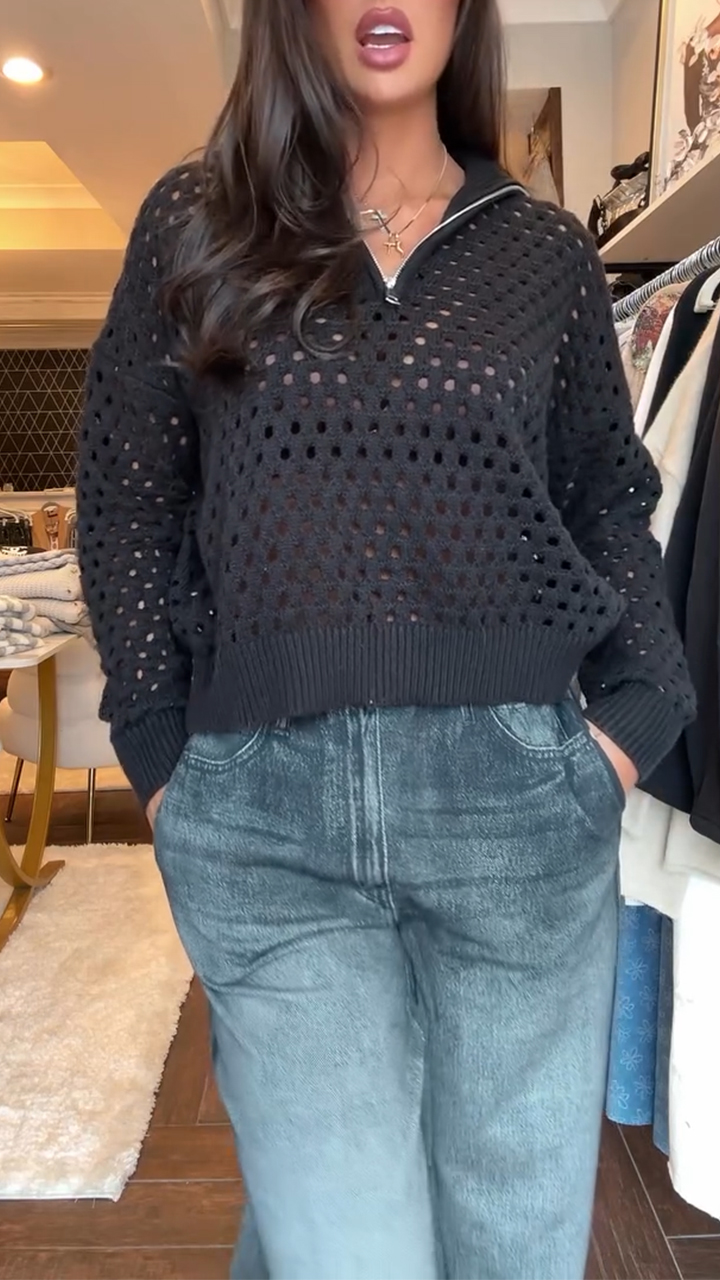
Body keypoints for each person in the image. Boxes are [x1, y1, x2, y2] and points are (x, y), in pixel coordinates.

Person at [77, 1, 695, 1277]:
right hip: (264, 822)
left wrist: (635, 715)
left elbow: (609, 495)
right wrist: (162, 751)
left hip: (516, 809)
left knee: (512, 1247)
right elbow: (130, 497)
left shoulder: (543, 253)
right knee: (348, 1249)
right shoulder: (198, 221)